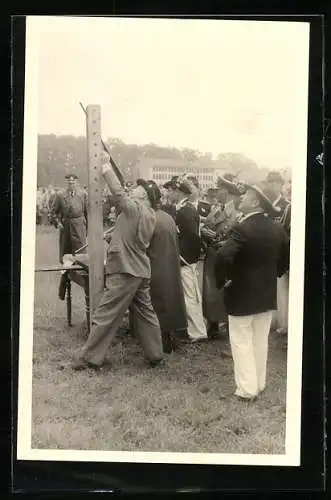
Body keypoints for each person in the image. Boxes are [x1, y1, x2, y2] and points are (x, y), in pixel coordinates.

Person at [70, 157, 164, 370]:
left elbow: (119, 194)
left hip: (125, 271)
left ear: (144, 195)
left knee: (105, 314)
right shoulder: (149, 214)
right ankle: (156, 355)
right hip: (139, 270)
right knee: (146, 314)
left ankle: (89, 358)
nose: (134, 190)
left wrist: (105, 167)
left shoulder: (135, 209)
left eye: (138, 188)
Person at [214, 182, 290, 401]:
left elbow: (223, 256)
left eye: (246, 195)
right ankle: (259, 383)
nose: (241, 197)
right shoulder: (276, 227)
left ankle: (247, 390)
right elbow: (285, 255)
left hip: (241, 293)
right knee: (259, 339)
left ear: (256, 201)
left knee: (241, 339)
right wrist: (274, 274)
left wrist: (223, 280)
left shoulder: (242, 228)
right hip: (266, 293)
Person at [142, 181, 188, 353]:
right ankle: (171, 337)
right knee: (170, 302)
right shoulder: (167, 217)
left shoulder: (150, 218)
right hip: (170, 265)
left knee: (157, 304)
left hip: (156, 266)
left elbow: (143, 244)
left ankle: (159, 342)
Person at [164, 176, 208, 343]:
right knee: (187, 294)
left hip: (185, 259)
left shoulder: (186, 211)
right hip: (182, 257)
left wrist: (185, 258)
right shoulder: (181, 209)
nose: (168, 193)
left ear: (179, 192)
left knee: (190, 295)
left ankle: (197, 331)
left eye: (171, 190)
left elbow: (191, 238)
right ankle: (190, 328)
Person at [202, 173, 243, 339]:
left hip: (225, 257)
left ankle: (224, 323)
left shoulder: (237, 213)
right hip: (212, 254)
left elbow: (236, 236)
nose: (216, 192)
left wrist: (220, 240)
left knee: (223, 290)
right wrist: (205, 233)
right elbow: (208, 225)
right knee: (210, 290)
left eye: (219, 188)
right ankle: (213, 322)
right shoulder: (216, 208)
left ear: (226, 191)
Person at [265, 171, 291, 334]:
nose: (269, 186)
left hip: (281, 250)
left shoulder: (286, 206)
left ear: (279, 185)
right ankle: (273, 320)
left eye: (272, 183)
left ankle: (284, 322)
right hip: (268, 249)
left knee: (282, 287)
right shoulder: (268, 203)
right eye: (269, 183)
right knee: (271, 285)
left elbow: (285, 231)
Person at [49, 174, 88, 264]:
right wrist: (58, 223)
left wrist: (86, 228)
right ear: (66, 183)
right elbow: (53, 211)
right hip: (66, 226)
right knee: (66, 251)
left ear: (76, 182)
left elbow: (87, 213)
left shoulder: (83, 194)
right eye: (69, 182)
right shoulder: (60, 195)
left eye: (73, 182)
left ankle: (80, 270)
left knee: (80, 250)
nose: (71, 184)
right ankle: (66, 272)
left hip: (79, 225)